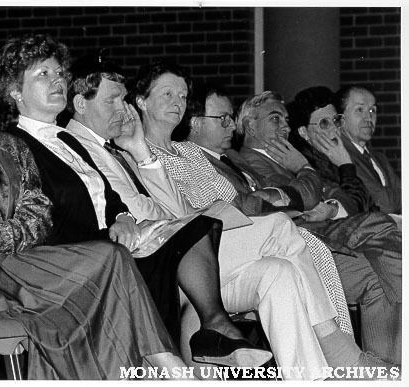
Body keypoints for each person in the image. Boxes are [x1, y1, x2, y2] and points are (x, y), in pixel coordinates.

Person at [0, 43, 200, 380]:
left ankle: (155, 368)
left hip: (7, 261)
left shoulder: (10, 149)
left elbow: (38, 220)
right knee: (107, 263)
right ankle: (169, 368)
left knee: (94, 287)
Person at [0, 33, 273, 371]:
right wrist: (119, 233)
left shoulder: (68, 140)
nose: (58, 81)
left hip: (113, 244)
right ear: (15, 93)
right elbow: (43, 217)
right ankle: (189, 351)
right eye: (43, 74)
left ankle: (214, 327)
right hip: (77, 259)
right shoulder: (11, 146)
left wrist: (122, 217)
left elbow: (107, 197)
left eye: (58, 73)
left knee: (197, 228)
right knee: (178, 243)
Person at [128, 61, 398, 379]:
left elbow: (233, 204)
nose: (178, 101)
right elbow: (175, 216)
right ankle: (339, 348)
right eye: (167, 93)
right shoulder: (133, 154)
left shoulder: (191, 153)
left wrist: (237, 208)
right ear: (141, 101)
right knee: (288, 228)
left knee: (280, 271)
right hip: (189, 264)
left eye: (183, 94)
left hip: (233, 245)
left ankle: (315, 376)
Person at [237, 90, 401, 364]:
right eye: (275, 118)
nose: (285, 126)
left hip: (332, 234)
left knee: (380, 277)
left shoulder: (287, 158)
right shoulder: (252, 162)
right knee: (383, 224)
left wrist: (331, 203)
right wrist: (305, 171)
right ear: (250, 125)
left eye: (286, 119)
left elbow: (346, 197)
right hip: (305, 241)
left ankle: (386, 367)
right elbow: (307, 197)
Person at [333, 85, 401, 215]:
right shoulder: (342, 156)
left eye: (372, 111)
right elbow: (385, 204)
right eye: (360, 110)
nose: (369, 118)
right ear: (341, 118)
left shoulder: (380, 158)